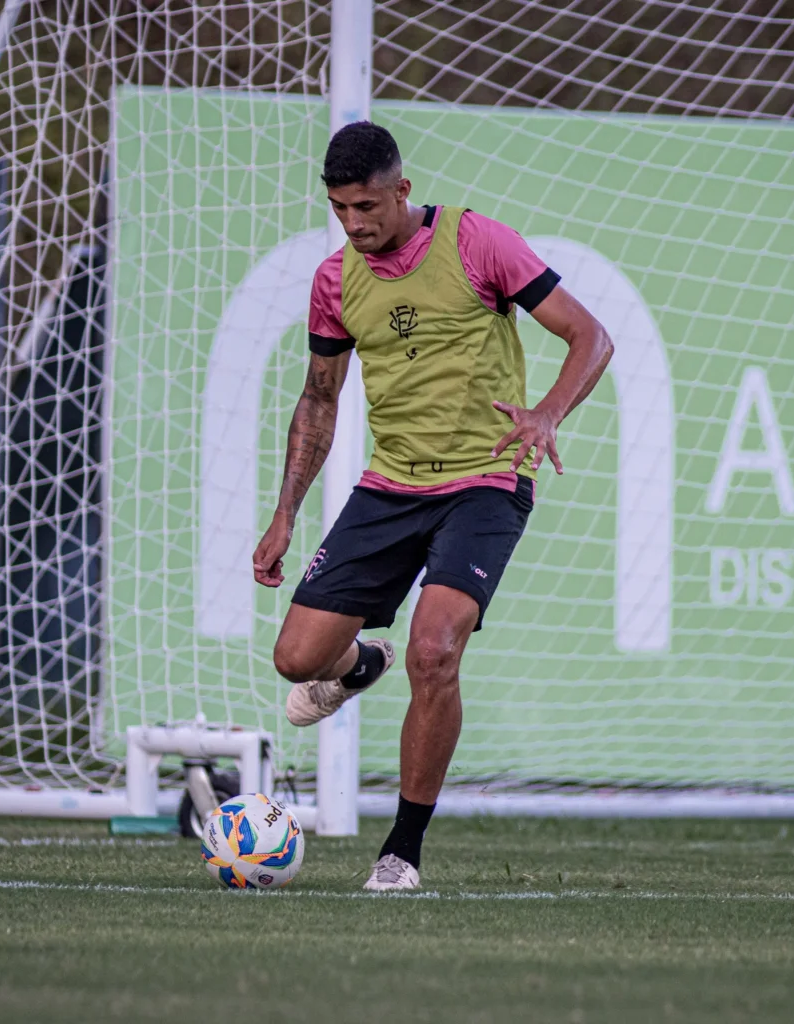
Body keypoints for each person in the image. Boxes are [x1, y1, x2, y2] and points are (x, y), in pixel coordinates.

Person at [251, 121, 614, 891]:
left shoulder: (478, 243)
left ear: (402, 190)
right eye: (340, 209)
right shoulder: (333, 280)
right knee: (297, 659)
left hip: (485, 482)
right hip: (391, 486)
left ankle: (401, 851)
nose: (355, 223)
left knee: (436, 650)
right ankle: (357, 666)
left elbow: (591, 336)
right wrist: (286, 512)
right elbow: (319, 399)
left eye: (367, 206)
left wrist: (546, 413)